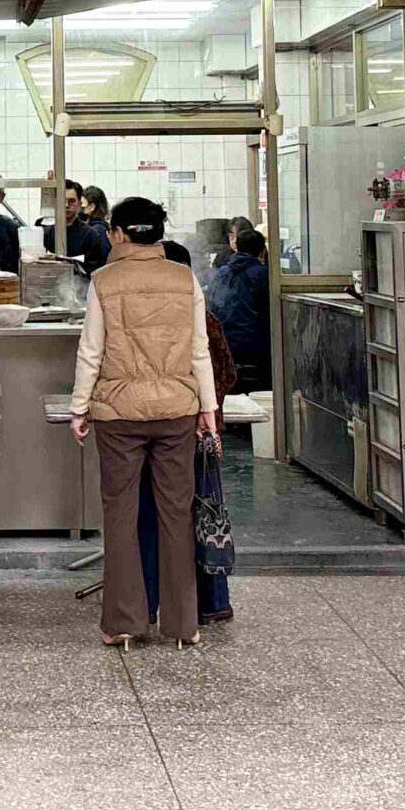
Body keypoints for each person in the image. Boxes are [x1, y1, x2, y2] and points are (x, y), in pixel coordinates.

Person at [70, 197, 218, 648]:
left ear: (117, 233)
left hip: (118, 413)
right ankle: (183, 625)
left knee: (120, 514)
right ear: (158, 233)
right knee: (177, 512)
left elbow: (91, 350)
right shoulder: (183, 277)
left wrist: (80, 407)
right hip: (177, 409)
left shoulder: (103, 281)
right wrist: (207, 408)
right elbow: (199, 349)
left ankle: (124, 623)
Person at [139, 240, 236, 627]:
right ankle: (211, 602)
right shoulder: (200, 317)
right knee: (204, 514)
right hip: (197, 430)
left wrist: (199, 409)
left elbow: (223, 374)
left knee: (190, 515)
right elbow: (227, 374)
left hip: (187, 432)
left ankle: (186, 601)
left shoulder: (196, 321)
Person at [206, 224, 270, 387]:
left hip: (225, 345)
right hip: (256, 349)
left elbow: (211, 306)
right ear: (262, 250)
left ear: (236, 247)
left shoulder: (221, 273)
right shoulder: (263, 274)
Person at [47, 179, 111, 274]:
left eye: (71, 201)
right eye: (62, 200)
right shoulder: (47, 233)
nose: (66, 205)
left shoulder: (91, 235)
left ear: (79, 205)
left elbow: (94, 272)